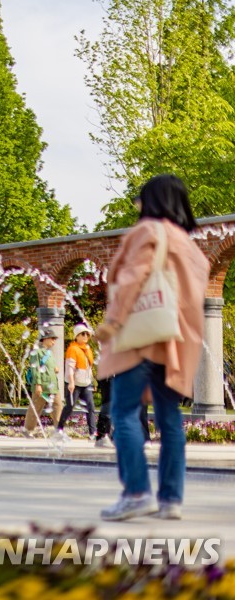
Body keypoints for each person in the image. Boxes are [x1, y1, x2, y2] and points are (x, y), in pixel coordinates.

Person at [96, 174, 208, 522]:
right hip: (175, 338)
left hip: (142, 334)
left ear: (153, 200)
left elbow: (134, 277)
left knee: (124, 412)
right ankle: (171, 498)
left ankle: (136, 492)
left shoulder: (147, 231)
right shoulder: (191, 245)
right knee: (170, 419)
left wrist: (113, 321)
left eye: (140, 199)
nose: (137, 206)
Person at [55, 323, 97, 443]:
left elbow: (89, 367)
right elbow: (70, 368)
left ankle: (92, 433)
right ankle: (59, 429)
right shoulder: (72, 349)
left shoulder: (88, 349)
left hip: (86, 383)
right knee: (69, 407)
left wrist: (92, 381)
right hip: (75, 384)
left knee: (91, 407)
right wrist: (71, 383)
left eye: (87, 334)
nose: (85, 336)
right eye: (82, 334)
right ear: (76, 336)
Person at [23, 330, 59, 436]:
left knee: (58, 406)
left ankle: (59, 430)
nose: (54, 342)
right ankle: (28, 430)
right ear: (46, 339)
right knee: (36, 408)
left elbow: (49, 367)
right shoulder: (37, 352)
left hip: (52, 385)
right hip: (42, 386)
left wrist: (55, 368)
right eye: (52, 339)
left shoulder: (49, 353)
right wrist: (38, 385)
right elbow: (35, 369)